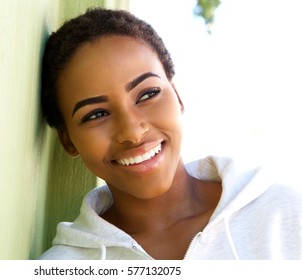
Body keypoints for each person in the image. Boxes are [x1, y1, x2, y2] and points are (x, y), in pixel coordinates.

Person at [39, 8, 302, 260]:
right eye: (96, 114)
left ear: (177, 96)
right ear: (68, 141)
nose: (132, 132)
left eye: (147, 94)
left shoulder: (282, 214)